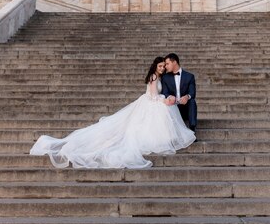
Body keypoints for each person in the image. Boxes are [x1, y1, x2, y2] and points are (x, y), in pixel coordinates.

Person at [29, 56, 195, 169]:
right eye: (160, 66)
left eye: (163, 66)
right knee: (159, 111)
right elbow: (152, 96)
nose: (162, 68)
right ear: (155, 67)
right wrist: (163, 100)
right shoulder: (153, 77)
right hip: (149, 102)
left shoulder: (160, 77)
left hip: (153, 101)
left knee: (162, 111)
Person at [162, 53, 197, 136]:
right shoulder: (165, 77)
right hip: (172, 107)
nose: (165, 66)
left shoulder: (189, 76)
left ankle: (192, 129)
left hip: (185, 108)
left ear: (174, 62)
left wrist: (187, 97)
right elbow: (164, 92)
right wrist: (170, 97)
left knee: (192, 101)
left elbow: (192, 93)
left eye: (167, 64)